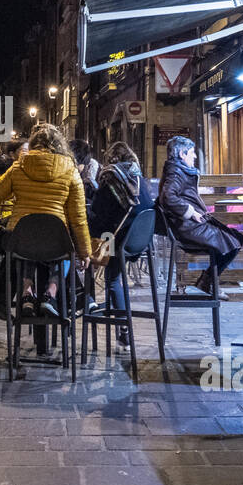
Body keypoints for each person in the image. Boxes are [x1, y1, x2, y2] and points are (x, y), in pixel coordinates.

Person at [0, 123, 91, 354]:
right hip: (56, 240)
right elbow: (78, 218)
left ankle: (27, 292)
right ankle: (51, 295)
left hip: (21, 239)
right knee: (66, 249)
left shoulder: (19, 166)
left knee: (24, 249)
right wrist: (85, 252)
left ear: (33, 144)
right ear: (59, 144)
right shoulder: (71, 170)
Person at [158, 136, 242, 300]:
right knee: (234, 242)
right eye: (191, 153)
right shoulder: (176, 173)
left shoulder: (178, 171)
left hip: (190, 226)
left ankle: (207, 280)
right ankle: (208, 281)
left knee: (234, 239)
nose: (195, 156)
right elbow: (167, 198)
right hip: (187, 228)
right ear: (182, 154)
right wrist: (191, 212)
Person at [86, 141, 153, 346]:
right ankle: (90, 301)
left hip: (119, 241)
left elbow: (99, 214)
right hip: (141, 243)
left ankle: (92, 304)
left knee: (110, 275)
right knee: (100, 244)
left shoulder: (110, 179)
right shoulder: (139, 179)